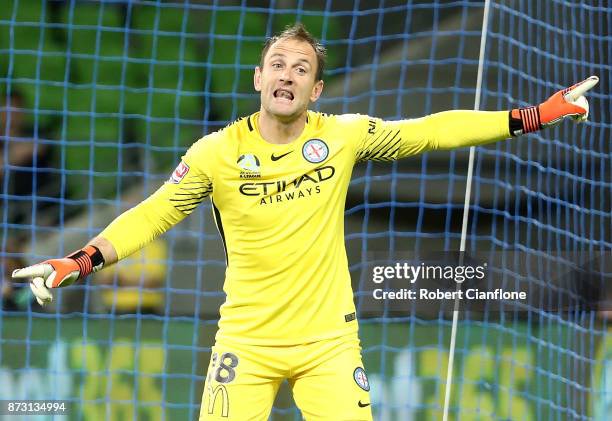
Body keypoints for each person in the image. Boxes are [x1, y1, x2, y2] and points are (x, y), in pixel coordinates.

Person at [12, 23, 598, 420]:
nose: (287, 75)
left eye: (300, 68)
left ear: (315, 89)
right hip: (245, 343)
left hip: (329, 345)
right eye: (277, 64)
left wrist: (535, 114)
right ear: (258, 79)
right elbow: (153, 214)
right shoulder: (215, 152)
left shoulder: (341, 137)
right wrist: (76, 261)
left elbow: (432, 129)